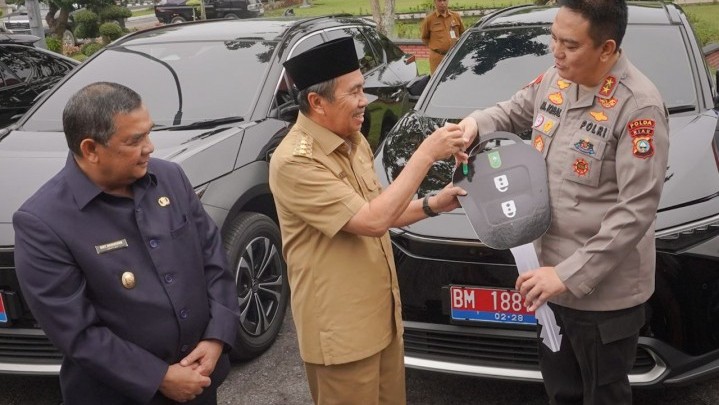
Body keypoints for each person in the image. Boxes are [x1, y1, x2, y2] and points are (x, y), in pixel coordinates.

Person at [457, 0, 669, 403]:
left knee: (601, 396)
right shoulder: (557, 79)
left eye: (569, 44)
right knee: (562, 393)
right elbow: (512, 111)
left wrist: (567, 275)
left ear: (606, 49)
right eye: (553, 37)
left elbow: (636, 209)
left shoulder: (638, 106)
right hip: (548, 282)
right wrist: (473, 124)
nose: (556, 51)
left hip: (601, 294)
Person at [13, 82, 240, 405]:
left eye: (148, 133)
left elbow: (214, 261)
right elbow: (76, 332)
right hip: (122, 394)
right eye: (135, 140)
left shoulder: (170, 178)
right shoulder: (44, 222)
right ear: (91, 149)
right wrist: (159, 377)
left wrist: (217, 337)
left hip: (199, 381)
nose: (150, 147)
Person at [269, 37, 467, 405]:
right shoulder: (296, 162)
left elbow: (379, 207)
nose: (366, 101)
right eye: (355, 91)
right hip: (342, 336)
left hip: (382, 320)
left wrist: (433, 205)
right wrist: (425, 154)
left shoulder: (352, 138)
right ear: (317, 102)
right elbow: (373, 221)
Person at [420, 0, 465, 74]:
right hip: (438, 58)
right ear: (435, 2)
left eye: (444, 0)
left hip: (454, 56)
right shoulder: (429, 19)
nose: (442, 3)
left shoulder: (456, 16)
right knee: (437, 82)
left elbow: (462, 33)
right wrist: (437, 47)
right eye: (439, 0)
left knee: (456, 78)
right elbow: (424, 38)